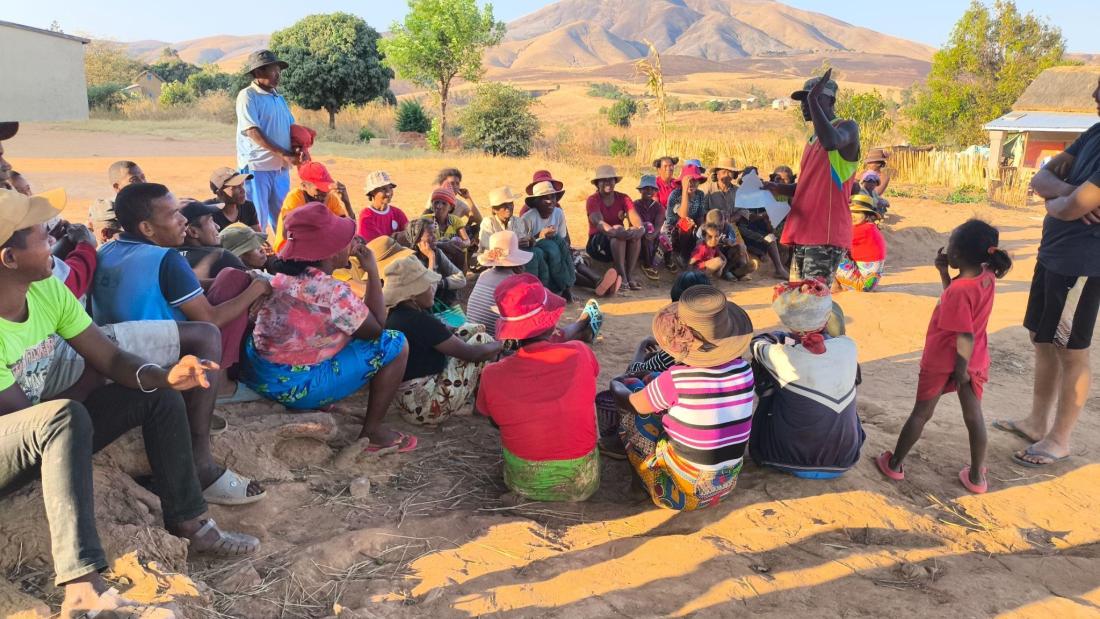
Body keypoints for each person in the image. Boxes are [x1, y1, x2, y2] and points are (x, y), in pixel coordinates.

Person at [0, 189, 261, 615]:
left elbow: (111, 357)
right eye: (41, 235)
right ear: (9, 259)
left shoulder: (45, 289)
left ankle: (189, 521)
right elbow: (24, 423)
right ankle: (81, 583)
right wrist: (84, 393)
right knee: (63, 417)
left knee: (155, 394)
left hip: (44, 429)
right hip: (9, 446)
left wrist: (164, 375)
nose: (53, 241)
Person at [240, 202, 414, 451]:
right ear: (331, 252)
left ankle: (323, 396)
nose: (351, 242)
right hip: (291, 387)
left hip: (259, 372)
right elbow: (377, 329)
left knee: (342, 330)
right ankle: (372, 432)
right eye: (345, 239)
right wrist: (373, 272)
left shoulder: (278, 275)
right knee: (395, 342)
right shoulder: (333, 292)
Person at [92, 183, 272, 407]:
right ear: (147, 228)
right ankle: (221, 385)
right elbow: (210, 320)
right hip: (160, 359)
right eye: (173, 214)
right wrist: (257, 287)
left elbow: (169, 285)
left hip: (116, 356)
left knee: (229, 278)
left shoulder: (106, 250)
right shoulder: (166, 258)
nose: (183, 220)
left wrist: (220, 282)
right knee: (232, 288)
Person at [1002, 79, 1100, 467]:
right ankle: (1035, 422)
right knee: (1041, 338)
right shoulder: (1094, 132)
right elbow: (1040, 180)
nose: (1094, 96)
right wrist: (1067, 194)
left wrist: (1059, 200)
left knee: (1071, 350)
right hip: (1053, 255)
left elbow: (1070, 205)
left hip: (1083, 264)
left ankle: (1059, 439)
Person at [876, 220, 1013, 494]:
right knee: (974, 417)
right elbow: (959, 305)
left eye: (950, 243)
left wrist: (959, 370)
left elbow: (963, 334)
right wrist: (943, 273)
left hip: (945, 359)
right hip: (974, 358)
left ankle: (895, 463)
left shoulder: (960, 291)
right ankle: (976, 476)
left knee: (921, 413)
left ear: (959, 255)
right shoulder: (987, 275)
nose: (946, 247)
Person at [611, 285, 754, 511]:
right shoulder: (744, 369)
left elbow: (634, 404)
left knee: (634, 416)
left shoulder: (678, 379)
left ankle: (641, 484)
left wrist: (616, 385)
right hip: (725, 485)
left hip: (683, 493)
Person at [477, 274, 600, 502]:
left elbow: (492, 420)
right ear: (552, 322)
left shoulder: (492, 374)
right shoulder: (580, 352)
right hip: (582, 482)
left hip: (523, 482)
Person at [749, 280, 864, 478]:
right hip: (844, 459)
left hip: (790, 459)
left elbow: (757, 344)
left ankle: (761, 441)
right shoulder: (848, 346)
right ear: (827, 320)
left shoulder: (782, 355)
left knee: (763, 369)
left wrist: (785, 338)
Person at [765, 69, 860, 284]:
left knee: (811, 302)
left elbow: (831, 142)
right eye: (803, 100)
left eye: (812, 98)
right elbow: (807, 188)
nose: (805, 105)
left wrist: (813, 100)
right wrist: (776, 188)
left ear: (830, 100)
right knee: (798, 302)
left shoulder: (846, 128)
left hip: (825, 233)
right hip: (804, 232)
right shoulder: (812, 139)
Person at [383, 256, 501, 426]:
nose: (433, 288)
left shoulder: (398, 315)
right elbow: (472, 354)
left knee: (474, 329)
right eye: (427, 286)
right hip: (426, 408)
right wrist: (501, 343)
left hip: (407, 403)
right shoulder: (420, 322)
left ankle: (475, 398)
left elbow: (445, 332)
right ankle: (480, 405)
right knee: (483, 339)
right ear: (412, 295)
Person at [522, 179, 618, 299]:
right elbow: (525, 246)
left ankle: (598, 282)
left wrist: (564, 249)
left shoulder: (558, 213)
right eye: (545, 198)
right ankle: (598, 283)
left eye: (553, 197)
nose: (550, 202)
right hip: (539, 255)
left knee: (566, 261)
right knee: (558, 263)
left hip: (557, 252)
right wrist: (540, 236)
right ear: (536, 202)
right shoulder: (528, 218)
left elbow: (562, 239)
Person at [236, 49, 298, 232]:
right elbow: (252, 131)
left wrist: (299, 146)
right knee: (257, 219)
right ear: (258, 72)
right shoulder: (248, 96)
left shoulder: (279, 98)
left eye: (279, 69)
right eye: (273, 70)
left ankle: (284, 257)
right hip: (257, 168)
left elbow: (290, 128)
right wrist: (285, 154)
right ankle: (257, 259)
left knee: (284, 219)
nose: (278, 74)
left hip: (280, 169)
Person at [272, 161, 353, 252]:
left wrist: (346, 203)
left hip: (314, 248)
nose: (324, 192)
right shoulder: (295, 197)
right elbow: (286, 234)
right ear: (304, 186)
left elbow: (347, 230)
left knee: (350, 244)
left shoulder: (330, 198)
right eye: (319, 189)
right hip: (289, 249)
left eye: (326, 187)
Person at [586, 165, 644, 290]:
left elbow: (634, 217)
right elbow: (599, 223)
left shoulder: (623, 198)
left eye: (611, 179)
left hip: (619, 239)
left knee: (635, 232)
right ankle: (621, 274)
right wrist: (616, 231)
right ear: (597, 183)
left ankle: (629, 275)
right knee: (618, 231)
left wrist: (640, 228)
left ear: (615, 182)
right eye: (604, 180)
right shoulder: (593, 200)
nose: (608, 182)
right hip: (597, 243)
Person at [405, 217, 467, 328]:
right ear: (417, 238)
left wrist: (441, 283)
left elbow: (461, 279)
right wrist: (431, 258)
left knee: (463, 330)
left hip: (439, 308)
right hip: (420, 314)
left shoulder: (437, 252)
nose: (435, 238)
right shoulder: (410, 260)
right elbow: (428, 294)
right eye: (430, 234)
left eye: (435, 233)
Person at [177, 200, 246, 280]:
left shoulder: (167, 257)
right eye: (210, 221)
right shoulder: (222, 257)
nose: (217, 226)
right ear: (193, 232)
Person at [836, 194, 887, 292]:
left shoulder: (863, 230)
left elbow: (835, 238)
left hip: (863, 284)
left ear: (867, 215)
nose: (852, 215)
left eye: (858, 212)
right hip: (868, 282)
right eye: (850, 212)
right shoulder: (869, 227)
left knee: (828, 251)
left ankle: (835, 286)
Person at [664, 163, 708, 268]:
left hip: (692, 230)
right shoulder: (675, 195)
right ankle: (683, 256)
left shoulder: (700, 195)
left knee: (707, 228)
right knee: (686, 222)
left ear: (699, 182)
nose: (691, 184)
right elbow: (683, 215)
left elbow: (700, 216)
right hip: (673, 231)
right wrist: (684, 190)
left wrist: (701, 230)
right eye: (689, 181)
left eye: (694, 181)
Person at [423, 167, 483, 242]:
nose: (455, 186)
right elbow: (425, 216)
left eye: (457, 184)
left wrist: (468, 198)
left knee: (480, 227)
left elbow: (479, 220)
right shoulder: (436, 197)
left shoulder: (460, 205)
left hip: (453, 237)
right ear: (442, 184)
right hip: (434, 234)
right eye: (451, 183)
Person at [477, 186, 532, 263]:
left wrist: (528, 241)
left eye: (510, 204)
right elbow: (488, 247)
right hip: (491, 261)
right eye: (504, 205)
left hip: (514, 259)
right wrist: (514, 245)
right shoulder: (488, 222)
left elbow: (522, 240)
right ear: (495, 209)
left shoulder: (518, 221)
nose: (508, 207)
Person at [424, 187, 472, 271]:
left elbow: (467, 241)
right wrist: (444, 245)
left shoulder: (455, 220)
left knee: (461, 250)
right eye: (436, 202)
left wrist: (457, 243)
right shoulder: (426, 220)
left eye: (444, 203)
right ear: (432, 204)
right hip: (432, 259)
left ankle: (460, 276)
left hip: (452, 260)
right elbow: (422, 243)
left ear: (450, 207)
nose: (439, 206)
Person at [696, 210, 751, 280]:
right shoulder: (703, 229)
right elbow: (698, 244)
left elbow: (733, 241)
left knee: (740, 247)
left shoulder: (728, 227)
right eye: (717, 226)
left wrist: (728, 241)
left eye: (721, 225)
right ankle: (711, 273)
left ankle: (730, 270)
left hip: (724, 250)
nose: (720, 228)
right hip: (711, 254)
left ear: (724, 220)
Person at [357, 170, 408, 242]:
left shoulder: (397, 213)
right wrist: (400, 236)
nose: (388, 193)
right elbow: (379, 244)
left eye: (390, 188)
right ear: (372, 192)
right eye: (383, 189)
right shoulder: (366, 215)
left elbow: (409, 233)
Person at [207, 167, 260, 231]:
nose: (243, 190)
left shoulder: (248, 207)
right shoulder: (207, 213)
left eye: (242, 185)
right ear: (220, 193)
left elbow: (256, 237)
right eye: (235, 187)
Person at [634, 175, 665, 280]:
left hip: (652, 236)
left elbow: (659, 224)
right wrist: (648, 232)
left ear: (656, 191)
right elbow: (635, 223)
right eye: (646, 188)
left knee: (665, 237)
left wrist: (654, 234)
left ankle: (667, 262)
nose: (649, 191)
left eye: (652, 189)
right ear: (640, 190)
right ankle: (647, 264)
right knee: (647, 226)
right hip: (639, 237)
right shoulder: (635, 205)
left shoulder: (658, 207)